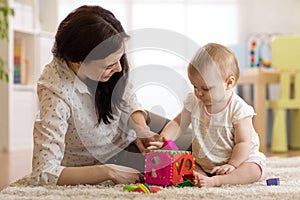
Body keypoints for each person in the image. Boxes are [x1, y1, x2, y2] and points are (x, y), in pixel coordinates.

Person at [30, 5, 161, 186]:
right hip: (104, 161)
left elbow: (127, 97)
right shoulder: (55, 91)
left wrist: (141, 129)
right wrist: (108, 171)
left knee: (195, 145)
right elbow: (42, 173)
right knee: (181, 162)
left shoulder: (111, 62)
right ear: (79, 63)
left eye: (120, 59)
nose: (119, 69)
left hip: (129, 135)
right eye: (109, 66)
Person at [148, 43, 266, 187]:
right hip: (204, 163)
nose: (198, 93)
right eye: (195, 87)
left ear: (228, 83)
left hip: (239, 160)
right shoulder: (194, 101)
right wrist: (164, 140)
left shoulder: (239, 109)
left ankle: (217, 180)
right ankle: (202, 176)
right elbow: (178, 124)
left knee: (254, 170)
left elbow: (243, 143)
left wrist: (232, 165)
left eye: (205, 88)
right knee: (186, 165)